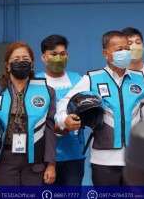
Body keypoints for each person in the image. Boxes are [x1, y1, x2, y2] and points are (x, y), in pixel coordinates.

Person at [56, 30, 144, 185]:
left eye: (126, 49)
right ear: (106, 54)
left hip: (135, 161)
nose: (125, 53)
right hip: (103, 161)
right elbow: (64, 103)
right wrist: (64, 119)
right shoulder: (91, 79)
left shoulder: (141, 81)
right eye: (118, 50)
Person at [0, 41, 56, 185]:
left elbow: (50, 129)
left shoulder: (46, 90)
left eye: (25, 60)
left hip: (35, 159)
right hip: (4, 158)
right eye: (15, 60)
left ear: (32, 63)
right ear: (8, 65)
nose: (21, 63)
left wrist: (51, 164)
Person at [36, 35, 85, 186]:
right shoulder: (35, 82)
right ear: (43, 57)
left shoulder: (78, 80)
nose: (59, 58)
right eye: (53, 54)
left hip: (74, 154)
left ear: (68, 55)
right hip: (43, 156)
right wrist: (55, 128)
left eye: (62, 54)